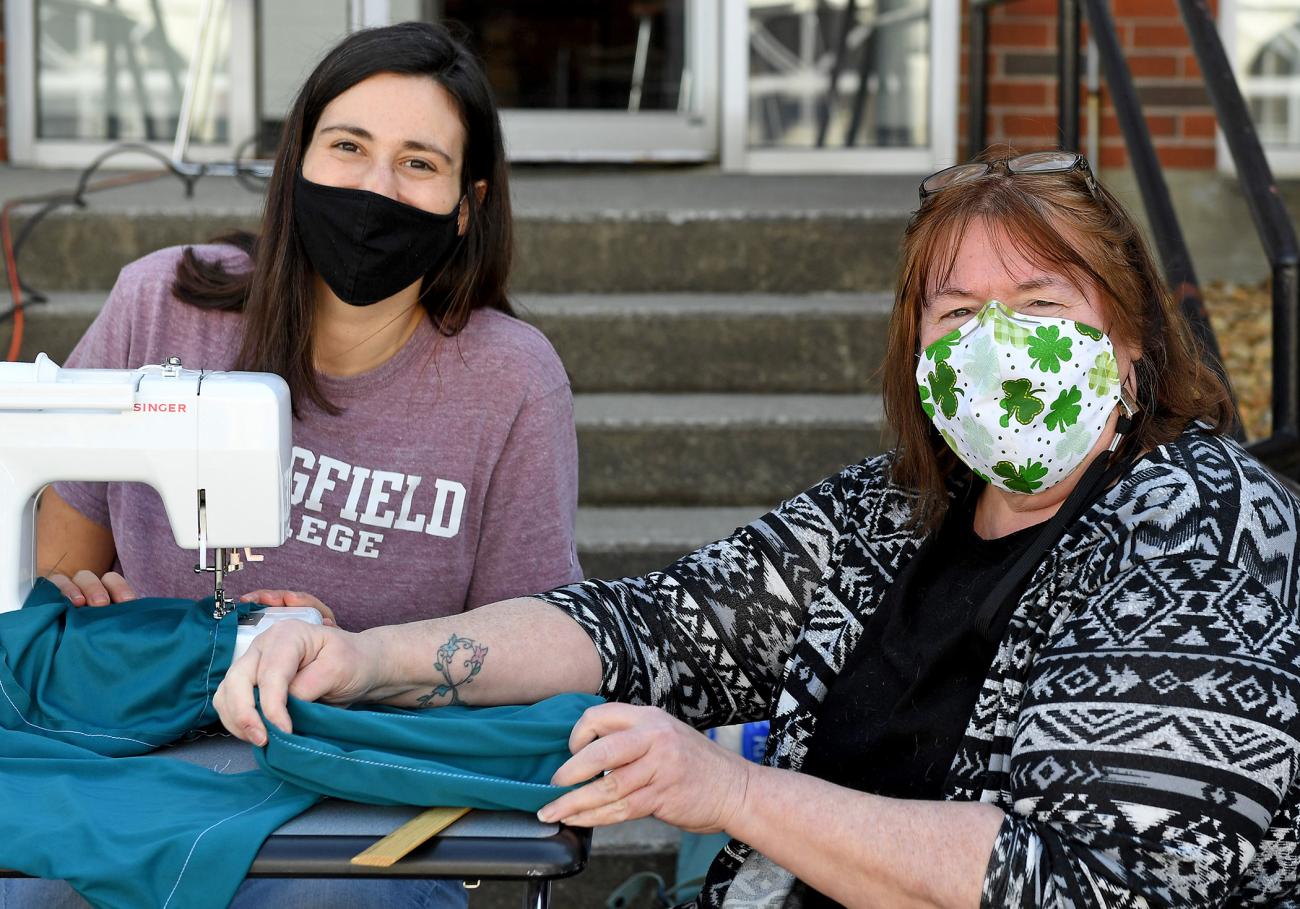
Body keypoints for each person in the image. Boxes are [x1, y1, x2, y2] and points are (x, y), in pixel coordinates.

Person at [216, 150, 1300, 908]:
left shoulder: (1200, 523)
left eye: (1041, 308)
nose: (995, 348)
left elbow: (1089, 880)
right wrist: (368, 657)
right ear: (917, 348)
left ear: (1127, 346)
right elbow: (648, 629)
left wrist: (730, 790)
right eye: (958, 312)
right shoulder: (899, 510)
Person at [20, 21, 581, 909]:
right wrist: (114, 613)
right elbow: (62, 572)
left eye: (418, 163)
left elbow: (538, 644)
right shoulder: (162, 307)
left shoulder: (509, 381)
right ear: (296, 160)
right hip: (142, 765)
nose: (374, 186)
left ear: (466, 204)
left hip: (367, 794)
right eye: (348, 146)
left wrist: (355, 656)